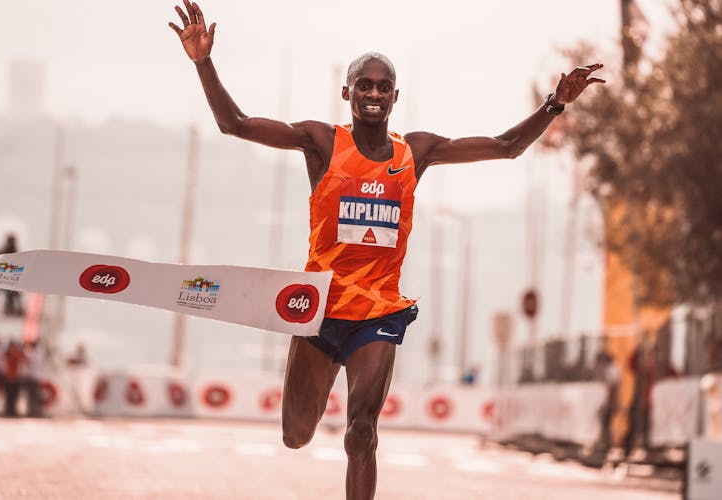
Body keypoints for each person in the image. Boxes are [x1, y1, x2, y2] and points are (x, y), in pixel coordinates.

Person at [169, 2, 604, 498]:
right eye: (364, 85)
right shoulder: (322, 143)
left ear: (395, 96)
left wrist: (555, 103)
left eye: (382, 87)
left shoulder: (414, 152)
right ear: (347, 92)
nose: (373, 94)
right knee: (295, 435)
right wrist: (203, 62)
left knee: (362, 431)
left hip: (378, 310)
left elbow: (506, 146)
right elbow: (236, 123)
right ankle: (316, 388)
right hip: (319, 309)